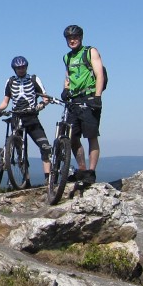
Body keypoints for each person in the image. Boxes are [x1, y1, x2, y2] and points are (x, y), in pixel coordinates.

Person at [0, 56, 53, 179]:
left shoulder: (33, 79)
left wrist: (41, 105)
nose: (21, 69)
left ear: (26, 67)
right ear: (14, 69)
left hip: (31, 117)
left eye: (23, 67)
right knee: (20, 152)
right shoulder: (10, 81)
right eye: (18, 68)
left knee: (45, 146)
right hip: (17, 117)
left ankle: (48, 178)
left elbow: (45, 98)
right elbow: (6, 101)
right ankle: (26, 180)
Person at [61, 24, 105, 183]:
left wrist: (97, 96)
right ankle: (82, 169)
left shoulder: (90, 51)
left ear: (81, 38)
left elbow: (99, 74)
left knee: (91, 135)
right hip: (73, 101)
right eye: (69, 38)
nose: (72, 40)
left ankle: (91, 172)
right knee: (72, 137)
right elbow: (68, 76)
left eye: (75, 37)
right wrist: (65, 89)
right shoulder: (67, 57)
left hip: (89, 97)